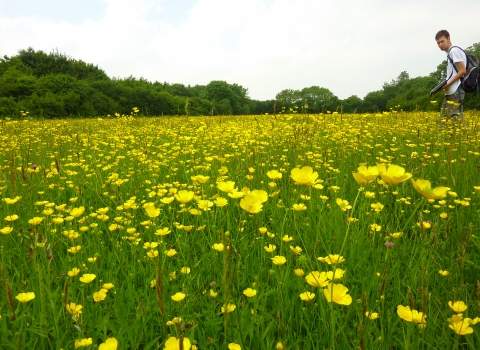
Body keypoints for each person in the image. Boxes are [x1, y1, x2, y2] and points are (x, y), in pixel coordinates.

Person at [435, 30, 467, 119]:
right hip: (450, 91)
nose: (440, 45)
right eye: (438, 43)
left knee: (455, 120)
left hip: (456, 90)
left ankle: (462, 133)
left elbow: (463, 71)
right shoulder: (450, 53)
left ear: (448, 39)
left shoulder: (454, 51)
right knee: (444, 121)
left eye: (442, 41)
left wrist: (447, 84)